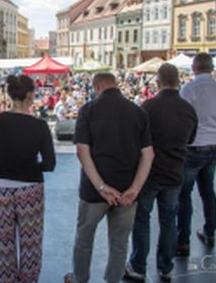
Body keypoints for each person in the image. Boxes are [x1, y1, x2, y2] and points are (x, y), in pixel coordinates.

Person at [65, 72, 155, 283]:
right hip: (127, 190)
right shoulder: (138, 112)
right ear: (116, 85)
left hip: (94, 191)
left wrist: (101, 187)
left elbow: (82, 151)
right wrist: (135, 188)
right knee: (120, 242)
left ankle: (80, 278)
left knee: (84, 238)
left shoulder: (88, 110)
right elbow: (148, 155)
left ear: (97, 87)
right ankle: (113, 279)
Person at [125, 64, 198, 282]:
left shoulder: (148, 107)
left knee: (142, 219)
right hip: (175, 173)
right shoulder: (189, 109)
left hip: (149, 173)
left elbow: (135, 139)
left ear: (158, 83)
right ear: (178, 82)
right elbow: (191, 139)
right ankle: (166, 267)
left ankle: (138, 266)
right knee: (168, 221)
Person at [0, 74, 56, 283]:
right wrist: (31, 166)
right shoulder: (39, 126)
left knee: (3, 244)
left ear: (9, 94)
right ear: (31, 96)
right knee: (31, 243)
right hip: (30, 189)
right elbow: (50, 164)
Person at [176, 53, 216, 256]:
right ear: (212, 68)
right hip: (214, 146)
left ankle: (183, 241)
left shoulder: (189, 89)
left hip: (193, 147)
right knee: (208, 192)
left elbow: (181, 118)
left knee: (184, 196)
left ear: (194, 68)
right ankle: (210, 232)